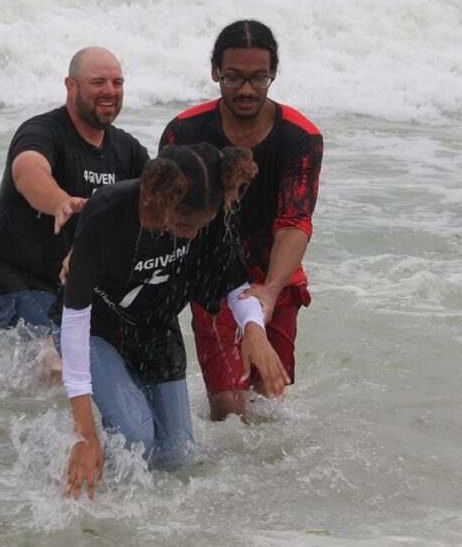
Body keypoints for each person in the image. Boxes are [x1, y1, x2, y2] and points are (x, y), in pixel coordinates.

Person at [59, 144, 290, 500]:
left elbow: (235, 284)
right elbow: (74, 318)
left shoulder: (207, 215)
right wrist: (84, 435)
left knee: (177, 456)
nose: (193, 234)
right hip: (97, 331)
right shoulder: (107, 211)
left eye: (202, 225)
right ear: (157, 199)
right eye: (184, 224)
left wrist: (254, 330)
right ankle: (95, 485)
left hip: (156, 332)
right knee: (137, 436)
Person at [160, 20, 323, 421]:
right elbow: (166, 214)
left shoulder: (300, 137)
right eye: (233, 78)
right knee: (229, 411)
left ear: (274, 73)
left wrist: (269, 290)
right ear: (215, 70)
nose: (246, 90)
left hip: (275, 273)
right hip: (209, 273)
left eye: (258, 78)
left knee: (268, 408)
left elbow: (294, 220)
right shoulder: (185, 131)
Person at [0, 47, 149, 374]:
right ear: (71, 86)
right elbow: (28, 170)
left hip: (74, 281)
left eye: (117, 82)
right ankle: (24, 425)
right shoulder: (42, 132)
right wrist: (59, 202)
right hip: (14, 275)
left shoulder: (127, 150)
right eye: (98, 82)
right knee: (54, 362)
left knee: (121, 358)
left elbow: (161, 194)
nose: (110, 91)